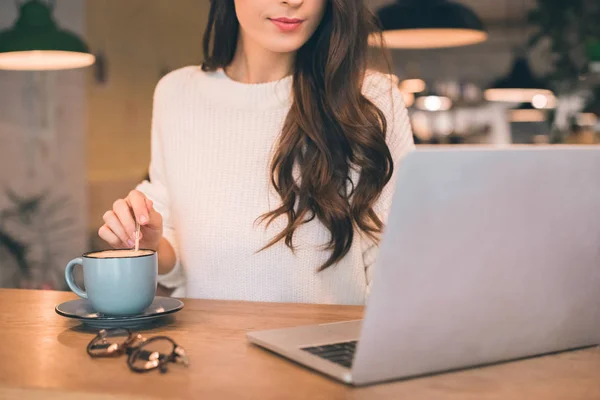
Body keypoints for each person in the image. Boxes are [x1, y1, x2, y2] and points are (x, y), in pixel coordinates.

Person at [98, 0, 415, 304]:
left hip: (323, 351)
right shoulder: (176, 93)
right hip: (208, 349)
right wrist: (150, 242)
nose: (292, 1)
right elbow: (176, 255)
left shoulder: (369, 99)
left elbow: (398, 263)